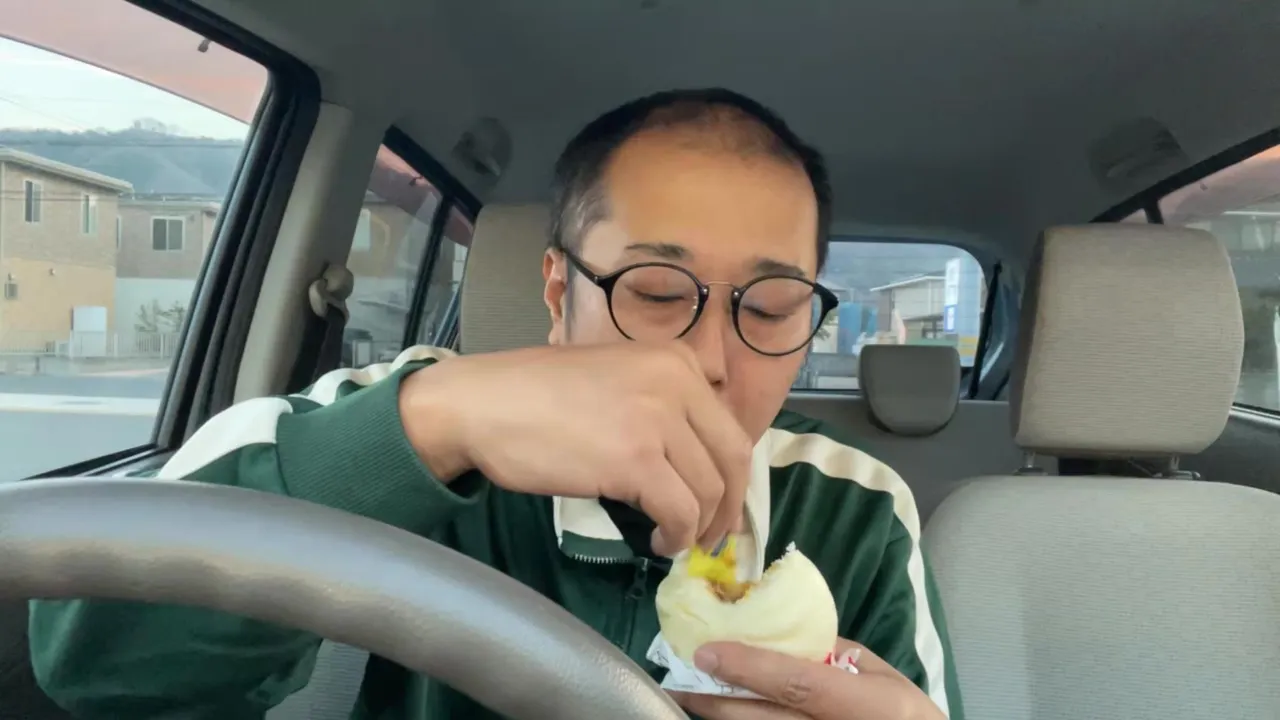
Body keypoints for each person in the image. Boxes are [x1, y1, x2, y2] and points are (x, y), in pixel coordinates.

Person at [28, 88, 963, 720]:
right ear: (558, 292)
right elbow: (95, 665)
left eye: (770, 308)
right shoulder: (405, 422)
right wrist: (433, 426)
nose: (712, 362)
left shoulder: (853, 504)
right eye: (653, 290)